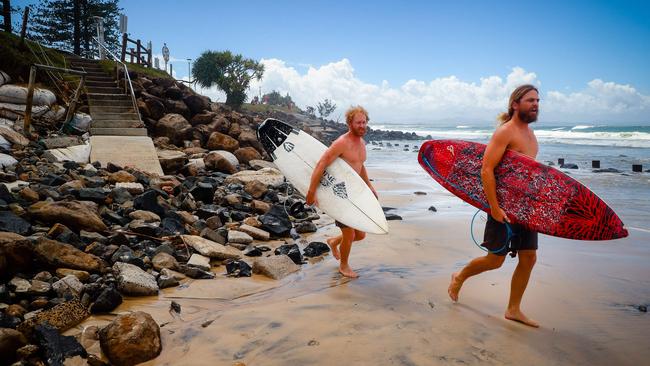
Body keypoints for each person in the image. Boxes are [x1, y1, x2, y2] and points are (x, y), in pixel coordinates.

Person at [448, 84, 541, 327]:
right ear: (515, 104)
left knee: (529, 258)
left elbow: (528, 174)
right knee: (494, 260)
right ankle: (460, 276)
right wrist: (495, 208)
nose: (535, 105)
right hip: (503, 207)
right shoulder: (505, 132)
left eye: (537, 101)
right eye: (530, 100)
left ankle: (513, 309)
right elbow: (486, 169)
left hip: (525, 208)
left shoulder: (532, 136)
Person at [306, 106, 378, 278]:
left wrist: (369, 186)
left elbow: (360, 166)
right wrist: (311, 192)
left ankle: (333, 241)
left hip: (353, 195)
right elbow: (321, 164)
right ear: (349, 123)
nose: (362, 125)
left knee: (360, 235)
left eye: (364, 122)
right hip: (339, 194)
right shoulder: (341, 143)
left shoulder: (361, 143)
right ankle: (344, 266)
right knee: (349, 233)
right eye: (358, 122)